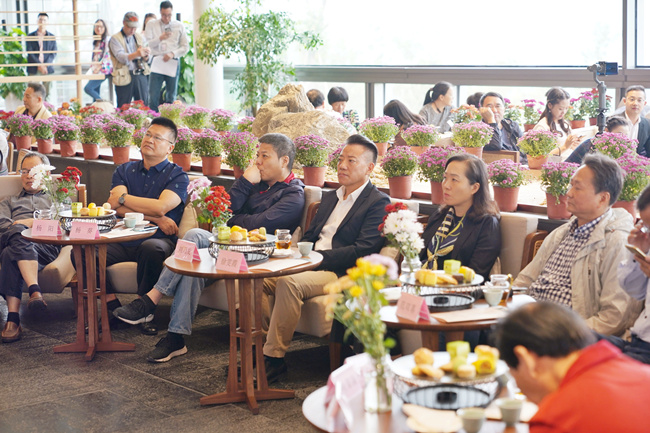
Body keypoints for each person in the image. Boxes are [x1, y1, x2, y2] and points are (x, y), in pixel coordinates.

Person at [113, 133, 305, 359]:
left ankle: (151, 302)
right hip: (228, 248)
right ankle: (174, 337)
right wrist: (244, 182)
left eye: (265, 156)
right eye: (257, 155)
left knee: (195, 248)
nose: (258, 162)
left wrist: (234, 219)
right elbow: (224, 211)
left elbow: (257, 225)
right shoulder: (254, 184)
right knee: (193, 249)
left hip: (256, 257)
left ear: (284, 160)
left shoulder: (293, 193)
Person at [263, 134, 391, 383]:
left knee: (288, 283)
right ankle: (259, 352)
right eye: (341, 159)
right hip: (310, 262)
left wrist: (317, 257)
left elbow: (362, 250)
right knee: (258, 280)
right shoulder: (331, 197)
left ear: (369, 168)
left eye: (351, 161)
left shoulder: (377, 202)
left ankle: (274, 360)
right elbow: (311, 236)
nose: (342, 165)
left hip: (340, 271)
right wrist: (297, 254)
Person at [514, 153, 642, 336]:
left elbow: (614, 318)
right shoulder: (562, 233)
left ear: (603, 198)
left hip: (567, 335)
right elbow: (525, 281)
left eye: (578, 188)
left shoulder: (617, 242)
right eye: (571, 185)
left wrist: (563, 334)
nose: (569, 193)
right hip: (530, 323)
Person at [495, 301, 650, 433]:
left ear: (525, 359)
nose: (526, 396)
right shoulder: (642, 372)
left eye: (514, 376)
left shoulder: (555, 421)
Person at [99, 117, 188, 334]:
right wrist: (155, 217)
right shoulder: (124, 170)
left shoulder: (177, 175)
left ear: (170, 148)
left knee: (152, 249)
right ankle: (112, 307)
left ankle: (143, 310)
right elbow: (113, 206)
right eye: (148, 134)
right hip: (123, 236)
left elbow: (161, 206)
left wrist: (124, 199)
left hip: (158, 238)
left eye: (157, 137)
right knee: (84, 251)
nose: (149, 140)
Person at [0, 152, 61, 343]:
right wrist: (24, 227)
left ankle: (13, 320)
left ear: (45, 174)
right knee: (16, 237)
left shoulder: (56, 200)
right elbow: (2, 225)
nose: (28, 176)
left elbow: (63, 224)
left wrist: (27, 222)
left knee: (11, 250)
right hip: (14, 240)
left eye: (33, 171)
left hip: (46, 247)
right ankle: (35, 291)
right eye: (24, 171)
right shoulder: (9, 201)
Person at [420, 154, 501, 280]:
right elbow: (419, 257)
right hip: (421, 283)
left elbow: (475, 275)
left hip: (456, 289)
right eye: (445, 178)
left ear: (474, 187)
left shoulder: (486, 224)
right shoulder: (440, 216)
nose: (446, 185)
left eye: (454, 180)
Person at [608, 184, 650, 364]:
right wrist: (637, 253)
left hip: (645, 351)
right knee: (569, 338)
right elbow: (634, 291)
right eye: (647, 227)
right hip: (636, 341)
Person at [145, 1, 189, 112]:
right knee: (153, 95)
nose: (167, 18)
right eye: (164, 15)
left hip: (172, 62)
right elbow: (148, 44)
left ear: (172, 12)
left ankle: (169, 119)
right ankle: (153, 118)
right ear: (160, 12)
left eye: (169, 15)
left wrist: (173, 53)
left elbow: (185, 47)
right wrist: (160, 37)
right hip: (157, 61)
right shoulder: (152, 24)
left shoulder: (179, 26)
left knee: (171, 95)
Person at [109, 11, 151, 108]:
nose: (133, 30)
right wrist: (137, 54)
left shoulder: (139, 37)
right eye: (130, 27)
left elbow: (148, 59)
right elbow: (121, 57)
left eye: (135, 27)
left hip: (140, 74)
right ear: (124, 23)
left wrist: (146, 56)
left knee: (143, 107)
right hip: (124, 76)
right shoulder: (115, 39)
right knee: (123, 107)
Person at [533, 87, 583, 158]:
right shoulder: (542, 127)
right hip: (556, 163)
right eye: (560, 109)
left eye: (566, 108)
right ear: (550, 105)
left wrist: (574, 145)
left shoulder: (565, 124)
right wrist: (565, 147)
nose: (564, 112)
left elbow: (569, 149)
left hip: (569, 160)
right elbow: (541, 156)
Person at [479, 92, 526, 164]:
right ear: (481, 110)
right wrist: (491, 121)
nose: (494, 110)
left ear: (504, 109)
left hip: (518, 166)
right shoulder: (478, 130)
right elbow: (495, 146)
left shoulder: (512, 126)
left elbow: (525, 151)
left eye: (498, 106)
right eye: (489, 107)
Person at [565, 116, 630, 164]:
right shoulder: (591, 145)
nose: (623, 138)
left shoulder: (623, 149)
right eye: (619, 134)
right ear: (607, 131)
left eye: (626, 135)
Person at [26, 13, 57, 98]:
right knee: (32, 92)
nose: (42, 22)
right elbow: (30, 52)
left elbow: (53, 53)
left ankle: (46, 106)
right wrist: (40, 65)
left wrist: (45, 65)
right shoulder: (30, 36)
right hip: (34, 68)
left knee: (47, 93)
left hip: (47, 68)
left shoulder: (51, 37)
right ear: (37, 21)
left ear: (47, 22)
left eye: (44, 20)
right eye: (40, 19)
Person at [84, 19, 112, 102]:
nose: (99, 28)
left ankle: (104, 103)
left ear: (105, 28)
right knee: (95, 92)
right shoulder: (96, 41)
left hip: (103, 69)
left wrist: (99, 67)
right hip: (95, 70)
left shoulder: (107, 40)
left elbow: (107, 56)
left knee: (88, 88)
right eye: (97, 26)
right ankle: (97, 109)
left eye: (101, 26)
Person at [619, 85, 650, 156]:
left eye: (639, 100)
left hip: (637, 162)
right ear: (624, 101)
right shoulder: (612, 121)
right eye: (632, 99)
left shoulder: (648, 124)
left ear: (644, 103)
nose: (635, 103)